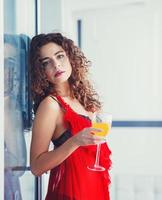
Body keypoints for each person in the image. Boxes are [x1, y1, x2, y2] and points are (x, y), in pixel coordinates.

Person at [29, 33, 112, 200]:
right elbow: (36, 167)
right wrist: (74, 141)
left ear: (71, 58)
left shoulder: (85, 102)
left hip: (93, 190)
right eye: (47, 63)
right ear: (41, 71)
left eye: (60, 56)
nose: (56, 65)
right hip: (70, 193)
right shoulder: (51, 105)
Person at [4, 34, 27, 200]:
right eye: (4, 63)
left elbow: (19, 165)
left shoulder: (11, 106)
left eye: (12, 63)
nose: (10, 72)